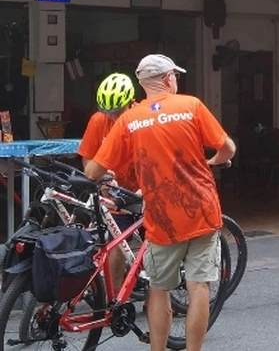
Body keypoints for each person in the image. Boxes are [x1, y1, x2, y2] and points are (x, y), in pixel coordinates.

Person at [85, 54, 236, 351]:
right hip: (201, 211)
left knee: (159, 289)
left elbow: (92, 171)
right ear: (168, 79)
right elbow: (227, 147)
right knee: (199, 286)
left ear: (143, 84)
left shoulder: (129, 119)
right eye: (175, 76)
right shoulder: (191, 106)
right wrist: (214, 161)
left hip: (161, 218)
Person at [77, 72, 138, 291]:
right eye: (108, 112)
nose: (113, 117)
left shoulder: (142, 118)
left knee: (157, 248)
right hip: (113, 192)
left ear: (131, 102)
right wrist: (100, 179)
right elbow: (87, 156)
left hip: (142, 188)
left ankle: (155, 296)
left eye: (118, 112)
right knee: (116, 243)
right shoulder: (98, 120)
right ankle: (115, 296)